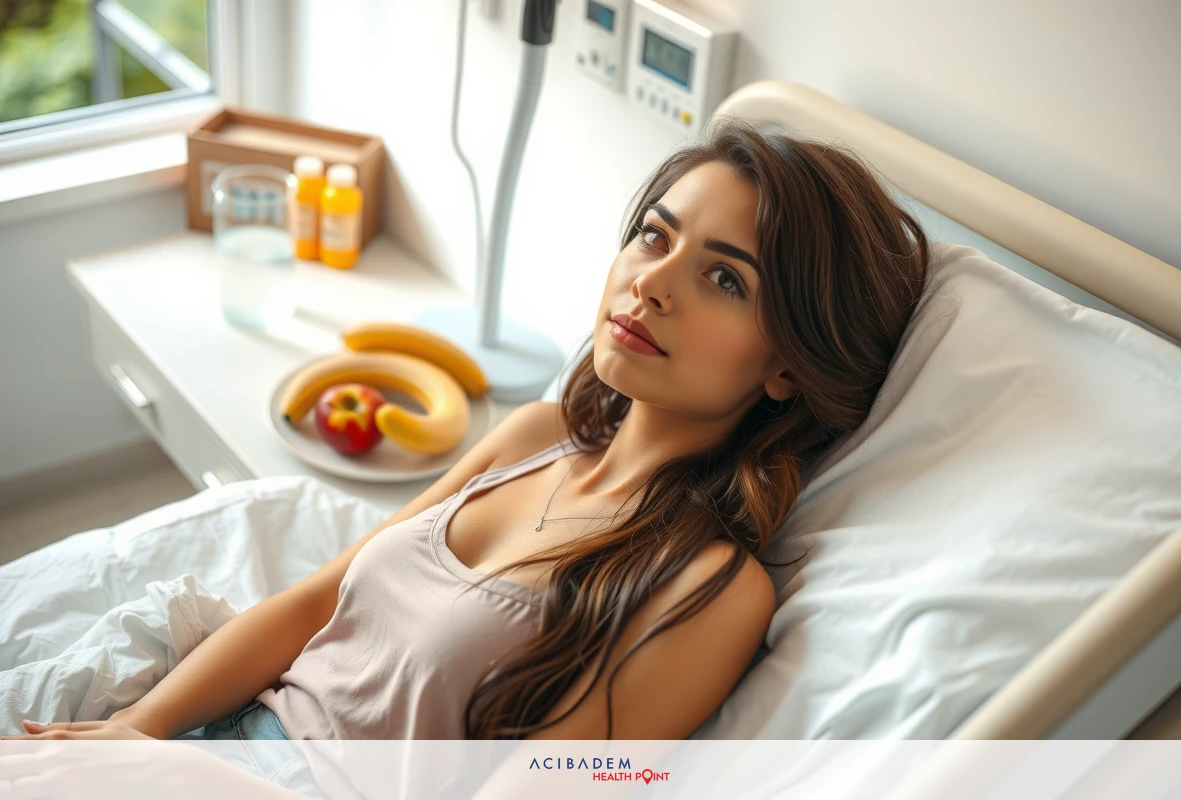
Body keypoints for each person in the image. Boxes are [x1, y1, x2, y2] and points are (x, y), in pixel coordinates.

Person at [8, 116, 929, 743]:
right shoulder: (531, 436)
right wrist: (135, 734)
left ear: (786, 366)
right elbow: (316, 604)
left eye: (726, 278)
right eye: (655, 234)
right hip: (217, 738)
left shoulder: (707, 588)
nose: (654, 281)